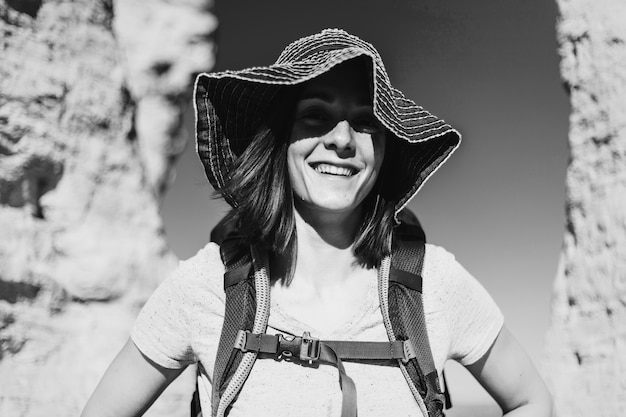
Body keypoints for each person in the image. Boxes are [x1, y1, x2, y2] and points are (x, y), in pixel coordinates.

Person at [82, 29, 553, 417]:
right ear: (279, 143)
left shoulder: (435, 282)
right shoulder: (207, 285)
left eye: (367, 122)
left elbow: (533, 401)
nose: (343, 140)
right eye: (316, 116)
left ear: (383, 152)